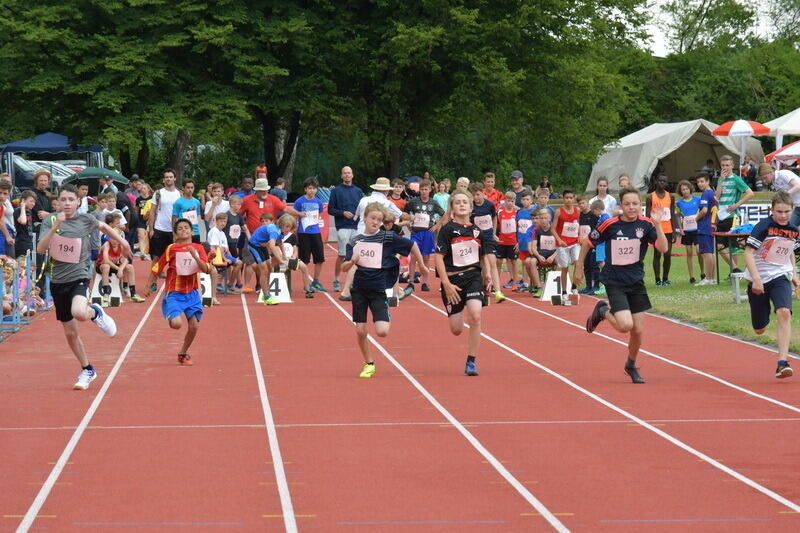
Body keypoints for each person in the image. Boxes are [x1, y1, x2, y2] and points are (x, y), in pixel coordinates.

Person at [37, 184, 132, 389]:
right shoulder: (50, 220)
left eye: (71, 200)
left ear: (78, 202)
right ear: (58, 202)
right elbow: (40, 248)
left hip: (79, 275)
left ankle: (95, 313)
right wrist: (55, 227)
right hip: (57, 280)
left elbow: (105, 227)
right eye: (63, 200)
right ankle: (87, 369)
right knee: (71, 333)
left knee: (79, 312)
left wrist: (123, 244)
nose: (68, 203)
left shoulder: (85, 219)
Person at [575, 187, 668, 384]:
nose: (631, 207)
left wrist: (658, 225)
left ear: (640, 205)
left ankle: (631, 365)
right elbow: (587, 243)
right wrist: (579, 267)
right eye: (627, 204)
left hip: (636, 281)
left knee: (638, 331)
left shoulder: (646, 225)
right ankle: (603, 311)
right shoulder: (609, 224)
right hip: (614, 281)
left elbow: (663, 248)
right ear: (621, 206)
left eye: (635, 204)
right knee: (625, 326)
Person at [342, 202, 427, 378]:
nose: (375, 222)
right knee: (360, 330)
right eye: (372, 218)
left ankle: (385, 312)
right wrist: (351, 262)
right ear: (364, 218)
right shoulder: (355, 241)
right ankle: (369, 363)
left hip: (378, 289)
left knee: (382, 332)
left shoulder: (387, 237)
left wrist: (423, 266)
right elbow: (344, 267)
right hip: (359, 289)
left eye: (379, 220)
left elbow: (412, 245)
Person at [435, 191, 492, 376]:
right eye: (457, 202)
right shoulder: (447, 230)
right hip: (452, 280)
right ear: (452, 207)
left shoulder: (477, 231)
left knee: (475, 316)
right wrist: (446, 283)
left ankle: (471, 362)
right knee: (456, 329)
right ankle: (454, 309)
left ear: (471, 207)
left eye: (464, 202)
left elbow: (483, 257)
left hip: (473, 277)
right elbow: (438, 258)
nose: (461, 205)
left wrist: (488, 274)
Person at [743, 191, 798, 378]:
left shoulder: (793, 230)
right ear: (772, 210)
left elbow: (789, 252)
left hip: (779, 276)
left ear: (792, 210)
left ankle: (782, 362)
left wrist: (794, 274)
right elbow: (748, 253)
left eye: (787, 212)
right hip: (758, 279)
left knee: (784, 312)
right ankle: (761, 319)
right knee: (760, 329)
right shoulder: (763, 226)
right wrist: (756, 279)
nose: (783, 216)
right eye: (779, 212)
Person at [141, 219, 210, 366]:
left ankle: (183, 353)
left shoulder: (198, 248)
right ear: (176, 234)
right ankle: (171, 315)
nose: (183, 230)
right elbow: (157, 268)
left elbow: (206, 269)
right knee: (177, 324)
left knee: (194, 326)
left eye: (186, 228)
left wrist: (195, 256)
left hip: (192, 293)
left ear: (192, 231)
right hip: (174, 293)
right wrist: (148, 285)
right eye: (180, 229)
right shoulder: (171, 248)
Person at [715, 154, 754, 273]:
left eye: (727, 165)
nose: (725, 167)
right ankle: (735, 269)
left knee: (732, 246)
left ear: (732, 165)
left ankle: (734, 272)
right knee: (720, 246)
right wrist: (720, 180)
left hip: (733, 216)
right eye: (723, 165)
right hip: (721, 215)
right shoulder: (721, 179)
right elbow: (717, 197)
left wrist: (737, 205)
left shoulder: (736, 179)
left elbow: (750, 193)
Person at [404, 178, 445, 291]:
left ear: (430, 190)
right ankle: (411, 282)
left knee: (426, 257)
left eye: (426, 189)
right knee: (413, 257)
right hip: (416, 233)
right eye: (421, 189)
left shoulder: (433, 203)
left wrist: (436, 226)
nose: (423, 191)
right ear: (419, 190)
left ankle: (424, 282)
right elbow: (404, 214)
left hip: (427, 233)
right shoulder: (413, 202)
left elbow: (444, 214)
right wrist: (408, 226)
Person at [328, 166, 364, 292]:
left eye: (349, 173)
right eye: (345, 173)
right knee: (342, 254)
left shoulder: (358, 191)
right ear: (341, 176)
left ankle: (354, 281)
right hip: (342, 226)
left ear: (352, 175)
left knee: (356, 256)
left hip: (356, 227)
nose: (347, 175)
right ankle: (337, 280)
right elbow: (330, 209)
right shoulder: (336, 191)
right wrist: (343, 212)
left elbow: (362, 209)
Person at [96, 213, 145, 305]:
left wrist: (121, 269)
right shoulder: (107, 244)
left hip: (114, 266)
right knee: (106, 266)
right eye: (112, 239)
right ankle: (106, 294)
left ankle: (133, 294)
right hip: (102, 266)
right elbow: (106, 260)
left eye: (116, 239)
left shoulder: (121, 245)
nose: (114, 241)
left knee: (129, 267)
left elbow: (126, 259)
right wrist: (119, 269)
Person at [470, 182, 504, 302]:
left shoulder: (489, 205)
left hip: (489, 238)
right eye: (474, 195)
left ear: (483, 193)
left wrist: (494, 232)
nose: (476, 197)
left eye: (478, 194)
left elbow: (494, 218)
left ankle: (498, 291)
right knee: (481, 265)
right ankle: (483, 288)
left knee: (492, 262)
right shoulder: (471, 207)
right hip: (476, 240)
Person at [294, 177, 328, 292]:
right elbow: (295, 215)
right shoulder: (299, 201)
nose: (312, 191)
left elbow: (319, 215)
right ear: (305, 189)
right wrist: (295, 230)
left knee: (319, 258)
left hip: (316, 232)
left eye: (314, 188)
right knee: (304, 259)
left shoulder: (318, 202)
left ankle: (316, 281)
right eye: (309, 188)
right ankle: (306, 284)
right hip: (303, 233)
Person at [646, 174, 677, 286]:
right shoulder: (650, 197)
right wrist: (648, 232)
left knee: (668, 254)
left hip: (668, 229)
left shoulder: (670, 197)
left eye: (664, 181)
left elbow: (672, 214)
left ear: (667, 183)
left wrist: (674, 231)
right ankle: (657, 280)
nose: (662, 183)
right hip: (656, 230)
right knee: (657, 254)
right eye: (660, 181)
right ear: (656, 182)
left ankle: (665, 279)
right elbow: (647, 216)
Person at [273, 214, 314, 298]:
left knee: (304, 267)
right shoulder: (275, 235)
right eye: (286, 227)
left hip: (290, 258)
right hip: (278, 258)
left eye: (290, 227)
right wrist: (281, 258)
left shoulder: (292, 236)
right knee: (282, 269)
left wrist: (294, 257)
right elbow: (274, 248)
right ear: (281, 225)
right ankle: (280, 289)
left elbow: (295, 249)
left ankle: (307, 289)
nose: (287, 229)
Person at [247, 212, 282, 304]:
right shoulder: (272, 229)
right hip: (254, 245)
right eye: (263, 221)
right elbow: (272, 246)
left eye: (266, 221)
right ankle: (266, 296)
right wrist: (280, 259)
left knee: (270, 268)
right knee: (264, 270)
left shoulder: (279, 230)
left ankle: (266, 291)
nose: (265, 223)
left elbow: (280, 242)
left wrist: (284, 257)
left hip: (262, 246)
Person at [148, 169, 181, 265]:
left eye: (171, 177)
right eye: (166, 177)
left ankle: (174, 276)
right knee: (156, 256)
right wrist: (151, 229)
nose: (169, 179)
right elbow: (152, 212)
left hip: (174, 230)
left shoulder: (179, 194)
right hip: (159, 228)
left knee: (174, 256)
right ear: (163, 180)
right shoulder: (158, 193)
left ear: (175, 179)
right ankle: (154, 276)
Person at [552, 189, 581, 298]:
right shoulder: (559, 211)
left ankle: (574, 287)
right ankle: (564, 291)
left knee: (578, 263)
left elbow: (578, 225)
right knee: (564, 268)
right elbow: (553, 229)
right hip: (563, 244)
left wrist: (580, 235)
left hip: (574, 242)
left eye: (571, 198)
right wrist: (559, 240)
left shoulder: (577, 210)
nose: (569, 200)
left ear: (574, 198)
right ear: (563, 199)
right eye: (566, 198)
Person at [206, 212, 244, 293]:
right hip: (215, 256)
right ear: (216, 221)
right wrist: (225, 259)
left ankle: (230, 284)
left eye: (224, 221)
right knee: (237, 263)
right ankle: (220, 284)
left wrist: (232, 258)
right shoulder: (214, 231)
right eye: (221, 221)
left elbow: (226, 248)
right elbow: (217, 247)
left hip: (223, 255)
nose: (223, 223)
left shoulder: (222, 233)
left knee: (238, 263)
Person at [675, 179, 704, 284]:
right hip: (686, 230)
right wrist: (680, 228)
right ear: (680, 191)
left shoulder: (697, 199)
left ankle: (702, 272)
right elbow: (678, 216)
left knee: (699, 250)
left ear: (690, 189)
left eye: (686, 188)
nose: (685, 191)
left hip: (697, 229)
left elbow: (703, 211)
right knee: (689, 252)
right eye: (683, 189)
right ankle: (691, 276)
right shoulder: (679, 203)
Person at [694, 172, 718, 286]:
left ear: (708, 181)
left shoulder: (705, 194)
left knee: (706, 253)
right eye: (698, 182)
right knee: (710, 253)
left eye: (702, 181)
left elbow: (704, 211)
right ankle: (712, 278)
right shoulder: (712, 193)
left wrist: (696, 218)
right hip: (711, 226)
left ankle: (708, 278)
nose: (699, 184)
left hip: (704, 226)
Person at [526, 208, 557, 294]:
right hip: (540, 253)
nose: (543, 220)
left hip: (553, 253)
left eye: (545, 218)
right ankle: (539, 287)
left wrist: (553, 256)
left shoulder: (554, 229)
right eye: (541, 218)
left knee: (560, 260)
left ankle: (556, 286)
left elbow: (560, 246)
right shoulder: (536, 230)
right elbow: (533, 247)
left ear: (550, 219)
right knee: (530, 261)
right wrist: (539, 256)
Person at [513, 191, 536, 291]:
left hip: (531, 242)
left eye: (527, 199)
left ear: (531, 200)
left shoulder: (534, 212)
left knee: (531, 262)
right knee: (523, 262)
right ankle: (525, 283)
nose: (525, 201)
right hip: (522, 241)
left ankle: (533, 283)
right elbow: (517, 228)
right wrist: (517, 241)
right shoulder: (519, 212)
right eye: (523, 199)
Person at [496, 191, 518, 289]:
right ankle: (496, 282)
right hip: (501, 241)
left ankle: (514, 281)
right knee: (498, 261)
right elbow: (496, 225)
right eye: (508, 201)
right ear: (505, 201)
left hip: (512, 241)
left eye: (512, 201)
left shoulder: (517, 212)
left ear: (514, 201)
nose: (510, 203)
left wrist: (518, 241)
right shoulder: (500, 212)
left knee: (513, 261)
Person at [577, 196, 600, 294]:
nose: (582, 205)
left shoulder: (593, 215)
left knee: (594, 265)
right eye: (580, 203)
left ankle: (596, 286)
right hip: (584, 244)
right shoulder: (580, 215)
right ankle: (588, 286)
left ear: (587, 203)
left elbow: (597, 229)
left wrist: (593, 240)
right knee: (586, 265)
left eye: (583, 203)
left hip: (593, 243)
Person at [172, 178, 203, 243]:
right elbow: (174, 219)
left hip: (196, 232)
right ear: (183, 188)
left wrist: (202, 232)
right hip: (184, 233)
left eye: (192, 187)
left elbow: (198, 217)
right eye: (188, 187)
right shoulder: (178, 202)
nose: (190, 190)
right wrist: (174, 234)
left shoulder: (197, 202)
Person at [14, 190, 36, 261]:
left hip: (28, 243)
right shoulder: (18, 210)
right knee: (21, 268)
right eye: (31, 201)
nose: (33, 204)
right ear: (23, 200)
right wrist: (22, 207)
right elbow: (23, 221)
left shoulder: (29, 211)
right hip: (21, 244)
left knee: (28, 268)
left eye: (34, 202)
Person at [0, 181, 15, 257]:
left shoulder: (2, 206)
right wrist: (8, 236)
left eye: (5, 193)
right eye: (0, 192)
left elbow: (2, 221)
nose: (1, 196)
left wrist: (8, 236)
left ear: (8, 195)